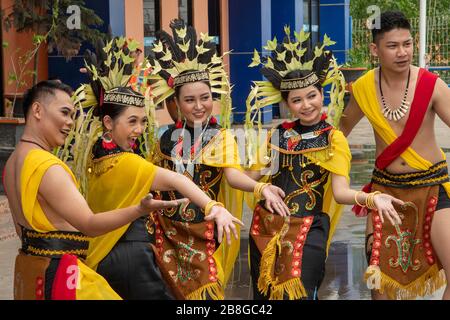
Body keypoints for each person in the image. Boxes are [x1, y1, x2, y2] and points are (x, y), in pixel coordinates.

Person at [67, 37, 244, 300]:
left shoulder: (96, 156)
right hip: (135, 254)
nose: (139, 130)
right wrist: (213, 207)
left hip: (119, 249)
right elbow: (175, 180)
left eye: (142, 121)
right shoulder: (131, 161)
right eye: (132, 122)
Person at [243, 27, 404, 300]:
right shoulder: (277, 136)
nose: (306, 105)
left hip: (309, 230)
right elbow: (253, 175)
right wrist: (257, 186)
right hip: (266, 229)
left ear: (322, 94)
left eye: (312, 96)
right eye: (297, 100)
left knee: (303, 293)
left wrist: (372, 199)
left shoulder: (334, 139)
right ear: (287, 104)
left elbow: (340, 192)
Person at [143, 19, 290, 300]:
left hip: (205, 229)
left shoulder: (220, 137)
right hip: (165, 232)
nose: (199, 106)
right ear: (175, 102)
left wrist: (261, 187)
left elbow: (233, 176)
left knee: (208, 295)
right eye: (189, 100)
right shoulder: (164, 139)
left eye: (205, 97)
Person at [1, 80, 185, 300]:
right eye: (64, 113)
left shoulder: (12, 162)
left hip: (32, 269)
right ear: (37, 110)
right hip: (63, 276)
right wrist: (138, 209)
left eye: (73, 116)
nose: (70, 123)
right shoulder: (48, 167)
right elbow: (89, 224)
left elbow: (23, 232)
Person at [340, 10, 450, 300]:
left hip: (434, 188)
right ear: (375, 49)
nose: (403, 52)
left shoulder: (431, 84)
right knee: (380, 282)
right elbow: (339, 133)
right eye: (393, 46)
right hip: (385, 192)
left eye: (408, 43)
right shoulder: (362, 87)